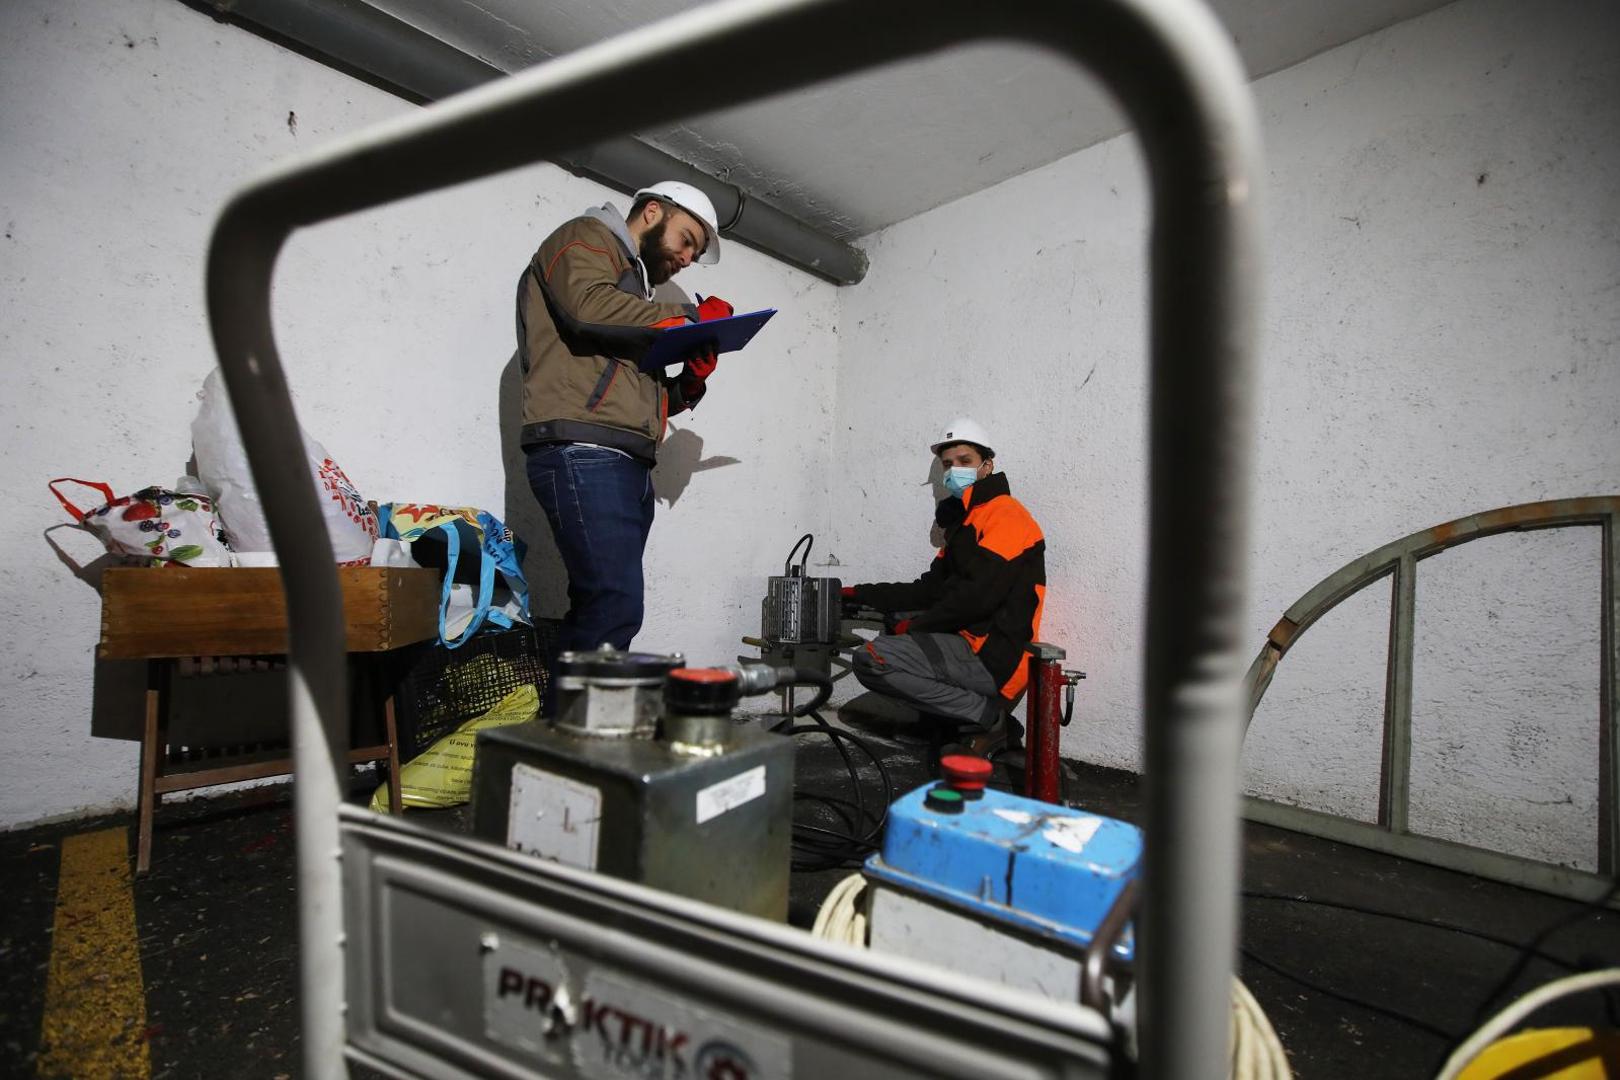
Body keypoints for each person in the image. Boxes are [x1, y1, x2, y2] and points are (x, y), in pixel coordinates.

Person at [516, 180, 733, 653]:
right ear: (653, 212)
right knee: (614, 608)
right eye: (687, 240)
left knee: (600, 608)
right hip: (586, 449)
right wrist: (690, 317)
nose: (687, 258)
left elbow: (625, 387)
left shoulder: (636, 296)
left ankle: (569, 722)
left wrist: (688, 385)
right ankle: (575, 727)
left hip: (624, 458)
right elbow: (586, 308)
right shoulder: (587, 237)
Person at [843, 418, 1046, 754]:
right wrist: (859, 593)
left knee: (872, 657)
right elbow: (930, 590)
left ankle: (989, 718)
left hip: (995, 651)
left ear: (987, 466)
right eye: (948, 464)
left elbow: (978, 596)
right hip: (969, 642)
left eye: (965, 461)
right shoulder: (964, 524)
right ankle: (943, 725)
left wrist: (918, 626)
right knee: (897, 622)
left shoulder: (1006, 515)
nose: (954, 470)